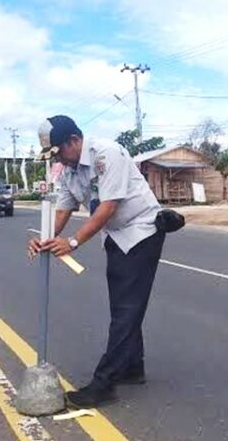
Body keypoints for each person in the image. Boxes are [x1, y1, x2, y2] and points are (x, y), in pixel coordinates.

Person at [27, 115, 165, 409]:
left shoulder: (107, 154)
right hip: (116, 235)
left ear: (74, 141)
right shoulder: (68, 170)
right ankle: (132, 367)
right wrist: (45, 238)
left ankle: (104, 384)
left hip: (142, 231)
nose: (59, 160)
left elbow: (109, 205)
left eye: (59, 152)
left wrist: (73, 242)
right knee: (123, 306)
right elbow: (63, 209)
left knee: (126, 309)